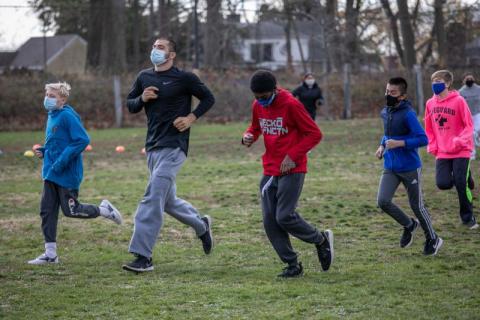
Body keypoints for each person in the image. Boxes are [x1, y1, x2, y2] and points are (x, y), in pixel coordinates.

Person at [123, 37, 215, 273]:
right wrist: (141, 98)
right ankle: (201, 226)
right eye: (153, 46)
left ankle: (143, 256)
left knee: (153, 197)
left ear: (171, 55)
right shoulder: (144, 77)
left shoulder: (185, 78)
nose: (155, 50)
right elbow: (130, 105)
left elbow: (209, 98)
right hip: (152, 147)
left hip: (175, 146)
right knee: (168, 201)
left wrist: (191, 118)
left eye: (161, 47)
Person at [242, 70, 333, 278]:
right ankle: (293, 264)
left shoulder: (291, 104)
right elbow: (256, 127)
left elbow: (314, 134)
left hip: (293, 168)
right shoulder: (258, 105)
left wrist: (292, 155)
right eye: (256, 97)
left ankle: (320, 239)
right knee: (269, 220)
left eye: (264, 97)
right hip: (270, 168)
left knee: (284, 216)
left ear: (274, 89)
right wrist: (248, 136)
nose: (260, 101)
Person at [28, 82, 122, 265]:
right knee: (47, 211)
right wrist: (45, 150)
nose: (47, 98)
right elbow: (58, 141)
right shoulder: (52, 115)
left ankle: (104, 210)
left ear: (62, 99)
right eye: (46, 94)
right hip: (50, 173)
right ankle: (50, 255)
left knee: (71, 210)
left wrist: (61, 162)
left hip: (66, 174)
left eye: (52, 95)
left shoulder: (67, 116)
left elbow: (82, 140)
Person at [375, 77, 443, 255]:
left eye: (393, 92)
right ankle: (410, 225)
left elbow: (423, 138)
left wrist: (399, 143)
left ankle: (433, 238)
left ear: (402, 96)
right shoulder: (385, 112)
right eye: (387, 91)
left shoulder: (408, 114)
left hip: (410, 167)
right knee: (383, 202)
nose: (388, 95)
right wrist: (382, 145)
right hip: (390, 166)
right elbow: (387, 134)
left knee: (416, 205)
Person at [425, 70, 478, 229]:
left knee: (461, 185)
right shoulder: (430, 103)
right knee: (442, 183)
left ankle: (468, 218)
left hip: (461, 150)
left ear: (448, 83)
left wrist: (460, 140)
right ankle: (466, 175)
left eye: (439, 81)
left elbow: (469, 126)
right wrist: (433, 144)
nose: (435, 84)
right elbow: (429, 128)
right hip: (442, 151)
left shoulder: (459, 101)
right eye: (433, 81)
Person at [459, 73, 480, 159]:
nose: (469, 80)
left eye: (471, 78)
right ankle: (472, 154)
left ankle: (477, 138)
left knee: (476, 131)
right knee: (471, 134)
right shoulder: (461, 92)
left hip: (478, 113)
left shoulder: (479, 89)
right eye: (467, 79)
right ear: (464, 81)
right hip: (467, 115)